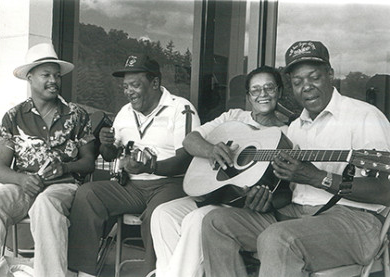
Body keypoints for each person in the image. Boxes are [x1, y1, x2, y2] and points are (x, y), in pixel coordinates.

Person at [201, 40, 390, 277]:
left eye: (314, 77)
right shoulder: (295, 128)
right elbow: (289, 194)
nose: (306, 87)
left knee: (278, 238)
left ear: (330, 75)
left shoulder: (364, 116)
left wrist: (318, 177)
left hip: (355, 220)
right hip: (298, 214)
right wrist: (266, 200)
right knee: (216, 222)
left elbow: (385, 190)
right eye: (297, 82)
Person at [68, 54, 200, 277]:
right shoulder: (125, 113)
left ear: (155, 83)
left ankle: (155, 273)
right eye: (125, 86)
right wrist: (106, 144)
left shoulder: (181, 109)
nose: (129, 91)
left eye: (135, 85)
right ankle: (83, 273)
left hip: (170, 185)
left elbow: (186, 159)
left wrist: (150, 168)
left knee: (157, 215)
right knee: (87, 194)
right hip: (132, 185)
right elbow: (110, 156)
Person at [151, 65, 287, 277]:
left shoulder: (286, 135)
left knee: (197, 220)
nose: (263, 95)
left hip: (239, 206)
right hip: (214, 192)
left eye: (269, 88)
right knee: (163, 214)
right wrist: (211, 150)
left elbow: (286, 191)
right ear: (248, 97)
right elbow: (190, 140)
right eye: (256, 90)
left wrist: (267, 198)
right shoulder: (233, 117)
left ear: (279, 91)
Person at [0, 43, 95, 277]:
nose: (54, 81)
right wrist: (21, 179)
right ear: (30, 77)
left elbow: (89, 162)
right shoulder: (13, 116)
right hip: (25, 188)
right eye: (46, 75)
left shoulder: (76, 114)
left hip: (64, 187)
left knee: (45, 204)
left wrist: (65, 167)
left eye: (57, 75)